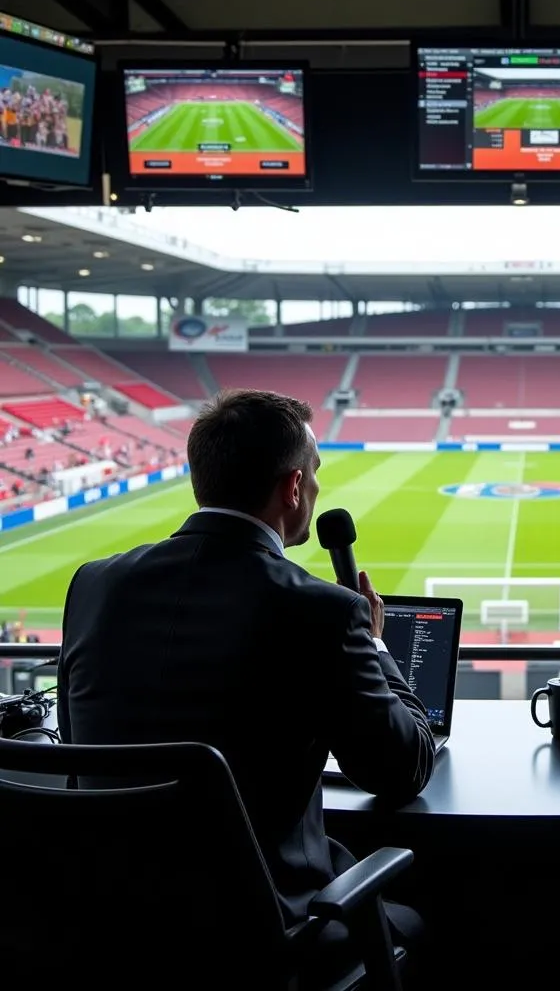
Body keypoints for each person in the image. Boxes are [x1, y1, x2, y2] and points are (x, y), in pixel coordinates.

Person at [58, 389, 436, 981]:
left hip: (109, 926)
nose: (314, 489)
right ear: (291, 488)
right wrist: (378, 642)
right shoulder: (323, 611)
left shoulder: (93, 586)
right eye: (313, 474)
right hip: (264, 935)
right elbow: (402, 770)